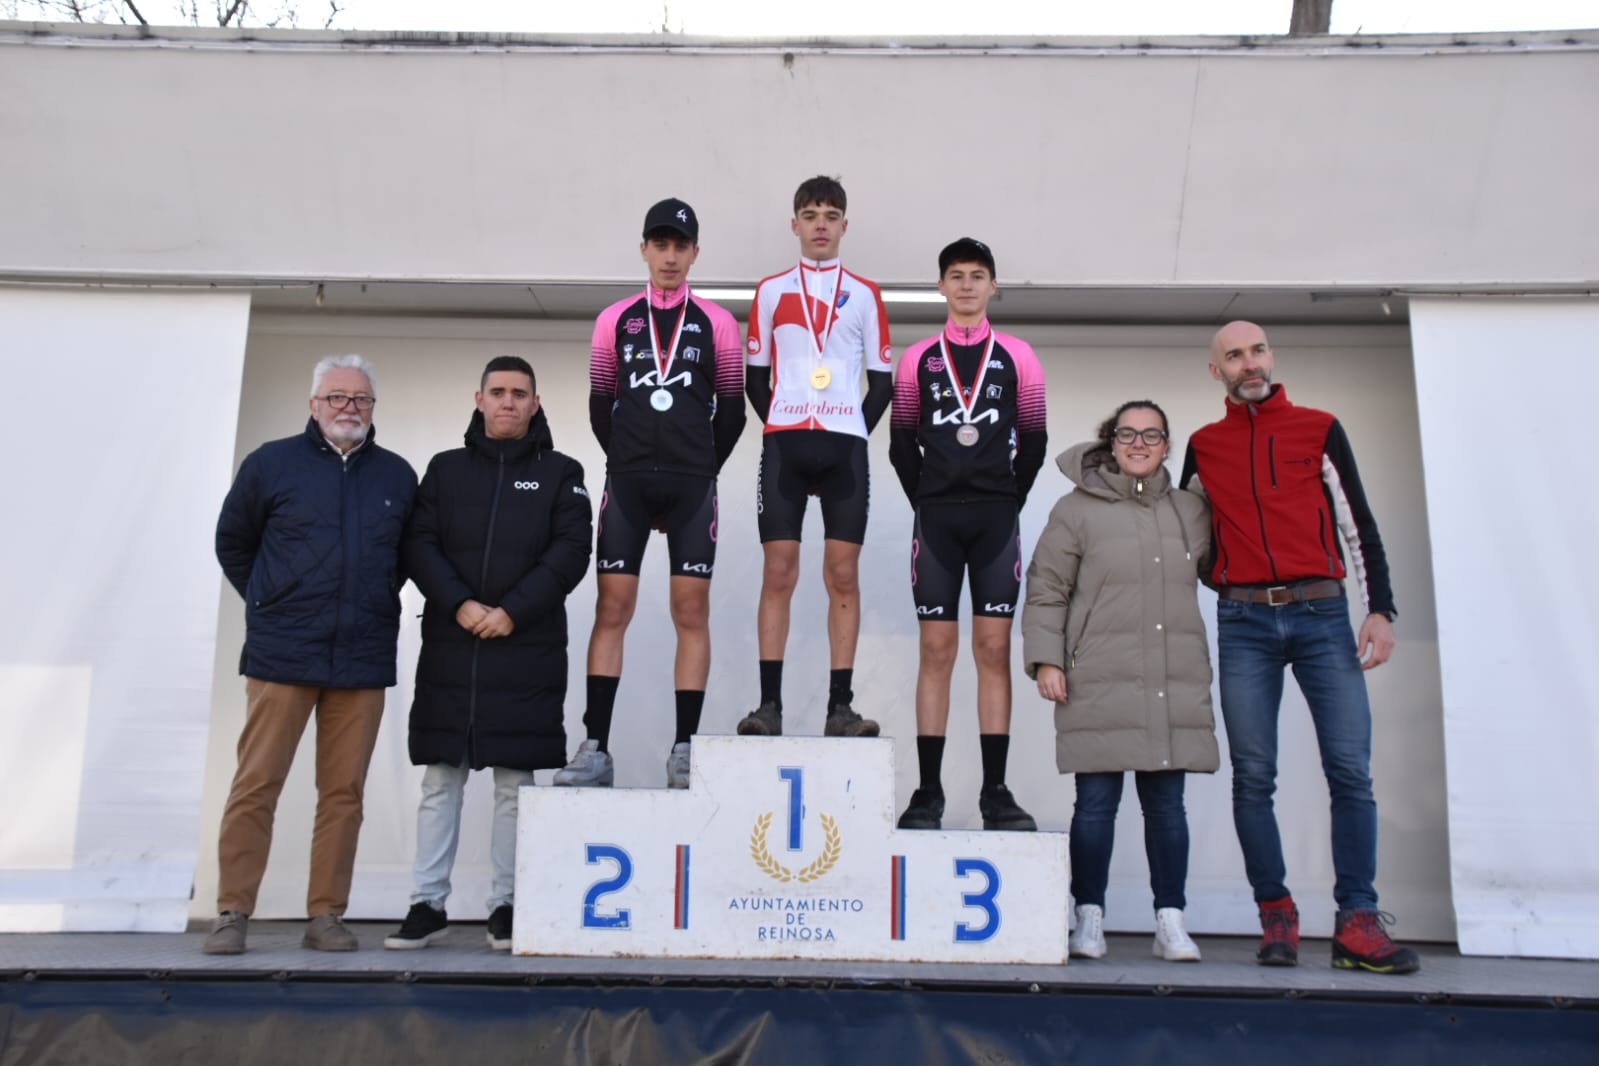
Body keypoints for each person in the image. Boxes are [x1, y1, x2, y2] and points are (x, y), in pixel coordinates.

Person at [1179, 320, 1420, 975]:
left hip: (1322, 617)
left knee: (1349, 772)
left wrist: (1380, 611)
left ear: (1270, 357)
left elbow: (1357, 524)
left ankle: (1357, 922)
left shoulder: (1317, 428)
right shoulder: (1203, 446)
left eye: (1256, 350)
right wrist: (1222, 581)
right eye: (1233, 355)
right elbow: (1186, 540)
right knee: (1253, 777)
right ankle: (1275, 914)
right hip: (1244, 624)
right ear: (1216, 371)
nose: (1247, 363)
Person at [207, 354, 417, 955]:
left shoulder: (397, 476)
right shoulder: (270, 464)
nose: (350, 407)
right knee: (256, 785)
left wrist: (367, 600)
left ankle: (326, 914)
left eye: (361, 399)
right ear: (313, 404)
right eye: (337, 397)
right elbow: (234, 542)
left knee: (343, 793)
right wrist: (272, 602)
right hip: (281, 654)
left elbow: (403, 559)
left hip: (362, 657)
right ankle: (232, 912)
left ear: (373, 409)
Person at [384, 356, 592, 952]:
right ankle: (427, 903)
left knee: (514, 782)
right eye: (498, 392)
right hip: (453, 646)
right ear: (479, 399)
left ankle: (507, 905)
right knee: (440, 779)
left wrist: (512, 611)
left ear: (535, 402)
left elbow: (572, 550)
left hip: (527, 649)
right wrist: (459, 604)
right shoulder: (445, 472)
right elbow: (419, 543)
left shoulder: (561, 472)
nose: (508, 402)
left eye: (519, 394)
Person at [555, 197, 746, 789]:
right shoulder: (615, 319)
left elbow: (733, 411)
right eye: (659, 245)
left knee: (691, 611)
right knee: (612, 609)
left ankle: (685, 746)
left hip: (692, 489)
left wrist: (698, 467)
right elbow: (599, 401)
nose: (669, 256)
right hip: (630, 487)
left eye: (680, 246)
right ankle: (595, 746)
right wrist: (629, 461)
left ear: (694, 253)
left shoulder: (717, 323)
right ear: (644, 249)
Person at [1022, 401, 1218, 962]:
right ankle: (1088, 918)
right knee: (1095, 807)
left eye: (1151, 435)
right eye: (1127, 434)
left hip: (1170, 677)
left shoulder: (1190, 510)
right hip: (1098, 677)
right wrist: (1048, 659)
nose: (1139, 443)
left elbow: (1226, 566)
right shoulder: (1074, 510)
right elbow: (1046, 589)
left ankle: (1171, 921)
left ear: (1166, 446)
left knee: (1167, 808)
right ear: (1109, 442)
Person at [888, 237, 1047, 831]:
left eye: (978, 276)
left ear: (993, 286)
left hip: (994, 521)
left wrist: (1006, 499)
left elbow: (1033, 441)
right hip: (937, 521)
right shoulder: (918, 359)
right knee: (935, 651)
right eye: (956, 275)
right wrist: (927, 500)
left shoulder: (1019, 357)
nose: (967, 286)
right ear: (941, 286)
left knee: (992, 651)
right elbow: (902, 441)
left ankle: (995, 792)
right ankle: (927, 792)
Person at [737, 175, 892, 738]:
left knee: (842, 575)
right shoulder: (773, 291)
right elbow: (755, 379)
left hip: (844, 448)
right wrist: (781, 423)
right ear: (795, 224)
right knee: (778, 573)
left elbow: (882, 383)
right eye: (810, 214)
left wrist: (851, 430)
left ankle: (840, 708)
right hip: (785, 445)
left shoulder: (866, 293)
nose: (820, 223)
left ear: (844, 225)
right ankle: (768, 707)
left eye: (831, 214)